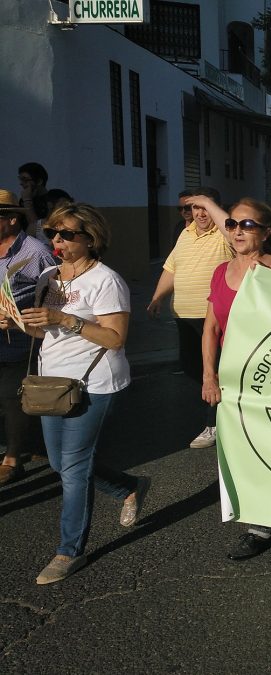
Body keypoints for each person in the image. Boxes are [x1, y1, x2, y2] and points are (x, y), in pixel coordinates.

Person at [0, 203, 149, 584]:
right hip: (52, 383)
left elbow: (116, 339)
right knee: (57, 463)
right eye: (53, 233)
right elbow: (43, 332)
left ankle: (69, 551)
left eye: (66, 234)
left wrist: (65, 318)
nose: (57, 241)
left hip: (93, 382)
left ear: (91, 238)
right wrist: (19, 323)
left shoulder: (105, 280)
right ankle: (129, 486)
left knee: (75, 467)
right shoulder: (49, 275)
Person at [200, 199, 271, 562]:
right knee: (240, 449)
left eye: (248, 225)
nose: (238, 231)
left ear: (266, 232)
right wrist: (209, 376)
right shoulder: (220, 270)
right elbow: (210, 329)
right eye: (234, 224)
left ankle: (262, 524)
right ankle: (255, 510)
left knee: (269, 446)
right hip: (230, 376)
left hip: (270, 379)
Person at [147, 186, 233, 449]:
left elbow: (229, 227)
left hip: (213, 319)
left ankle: (214, 424)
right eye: (194, 208)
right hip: (184, 316)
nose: (199, 213)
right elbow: (172, 269)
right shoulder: (185, 234)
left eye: (204, 207)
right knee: (191, 366)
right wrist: (157, 297)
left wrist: (209, 201)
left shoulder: (225, 234)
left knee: (213, 371)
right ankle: (221, 405)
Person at [0, 189, 56, 486]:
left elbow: (55, 298)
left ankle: (12, 458)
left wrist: (19, 319)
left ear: (10, 220)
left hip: (20, 341)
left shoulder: (35, 252)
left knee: (13, 399)